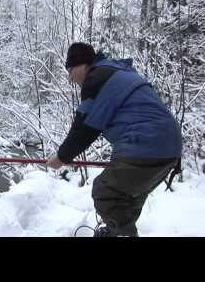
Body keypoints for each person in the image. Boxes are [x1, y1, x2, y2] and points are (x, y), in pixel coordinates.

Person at [46, 42, 182, 237]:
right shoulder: (118, 73)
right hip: (170, 146)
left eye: (70, 71)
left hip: (146, 143)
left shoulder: (96, 79)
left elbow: (85, 128)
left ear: (81, 65)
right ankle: (115, 232)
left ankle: (122, 234)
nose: (70, 78)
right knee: (126, 198)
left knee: (105, 191)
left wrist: (61, 157)